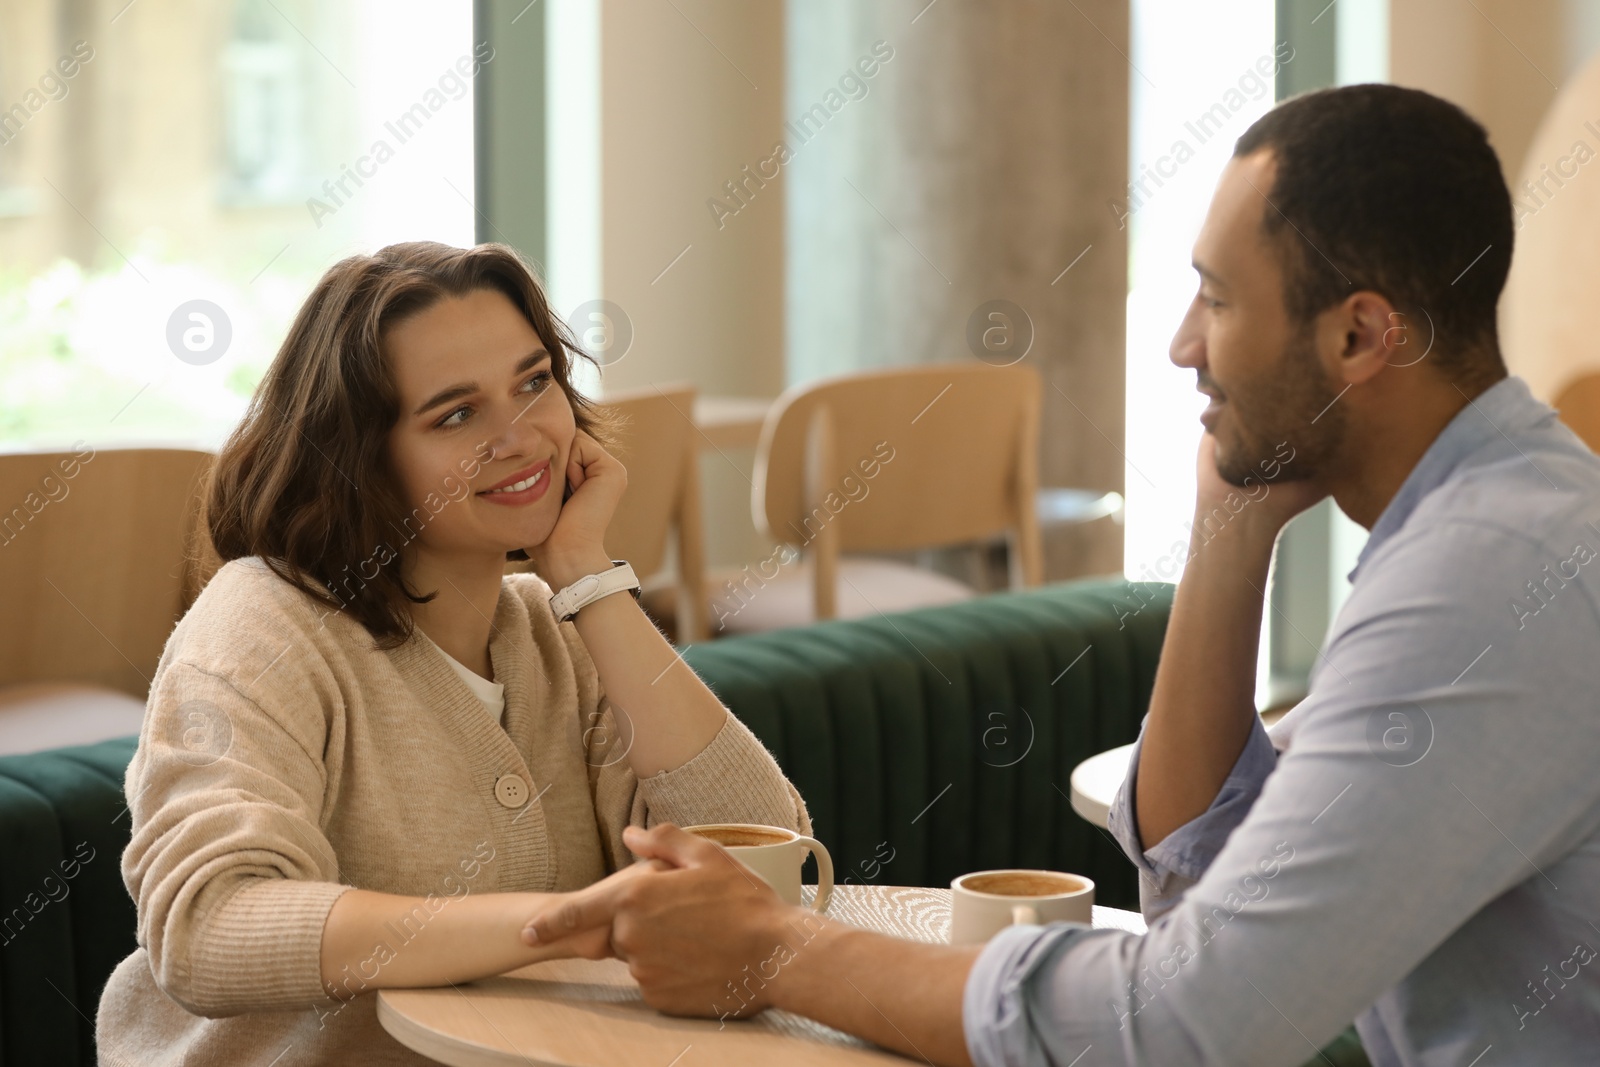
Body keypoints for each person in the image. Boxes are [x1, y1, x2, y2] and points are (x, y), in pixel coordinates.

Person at [521, 84, 1600, 1066]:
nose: (1183, 346)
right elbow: (1201, 894)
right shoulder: (1494, 520)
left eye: (1216, 301)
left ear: (1360, 334)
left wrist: (777, 949)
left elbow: (1185, 1022)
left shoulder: (1485, 579)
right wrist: (1227, 524)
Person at [95, 241, 810, 1065]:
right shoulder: (262, 623)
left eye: (535, 382)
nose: (524, 436)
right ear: (361, 456)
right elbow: (209, 926)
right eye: (457, 414)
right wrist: (561, 925)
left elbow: (762, 864)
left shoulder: (559, 627)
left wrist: (587, 575)